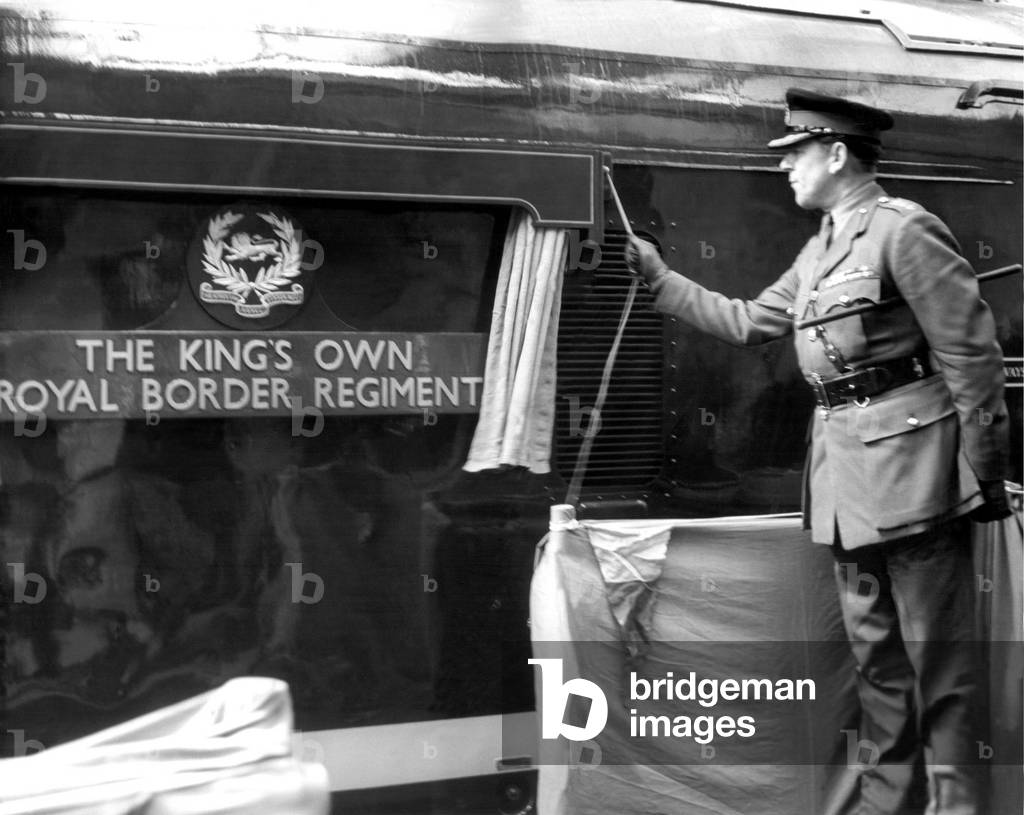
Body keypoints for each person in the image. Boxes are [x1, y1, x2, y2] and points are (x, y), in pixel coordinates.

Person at [627, 88, 1010, 815]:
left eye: (795, 153)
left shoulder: (903, 230)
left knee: (942, 670)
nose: (785, 167)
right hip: (845, 488)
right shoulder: (821, 249)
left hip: (918, 480)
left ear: (836, 154)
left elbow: (971, 359)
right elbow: (747, 321)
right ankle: (887, 805)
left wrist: (980, 475)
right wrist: (659, 277)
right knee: (879, 667)